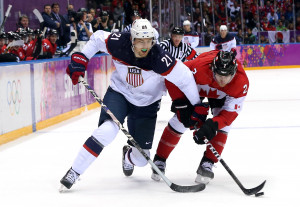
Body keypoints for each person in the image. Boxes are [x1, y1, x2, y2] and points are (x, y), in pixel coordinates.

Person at [59, 19, 201, 190]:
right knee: (107, 130)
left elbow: (185, 78)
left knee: (141, 160)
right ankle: (74, 172)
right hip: (120, 93)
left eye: (148, 41)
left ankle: (127, 155)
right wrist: (82, 57)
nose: (145, 46)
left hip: (147, 104)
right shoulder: (119, 43)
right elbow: (97, 38)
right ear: (132, 39)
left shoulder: (160, 58)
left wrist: (197, 106)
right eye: (141, 41)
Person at [151, 50, 249, 185]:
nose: (222, 79)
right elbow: (172, 77)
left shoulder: (241, 82)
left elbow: (230, 113)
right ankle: (159, 159)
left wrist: (213, 124)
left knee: (224, 125)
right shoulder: (197, 67)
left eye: (227, 76)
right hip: (195, 88)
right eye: (219, 74)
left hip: (221, 95)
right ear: (213, 68)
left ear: (234, 72)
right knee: (181, 121)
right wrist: (181, 105)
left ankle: (207, 163)